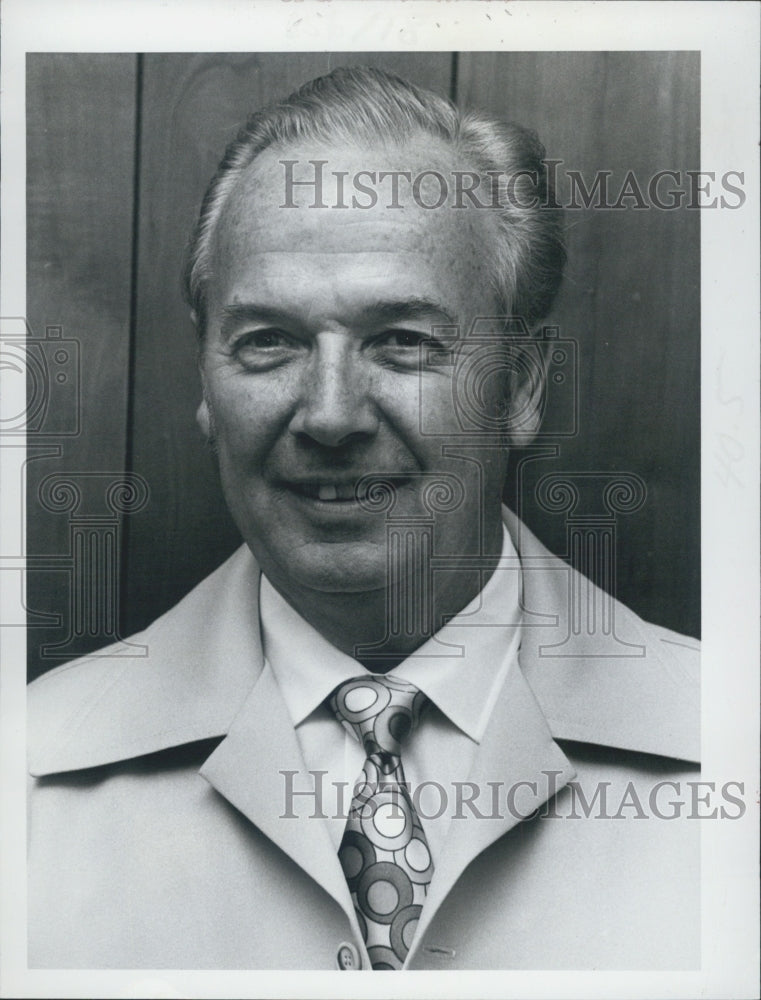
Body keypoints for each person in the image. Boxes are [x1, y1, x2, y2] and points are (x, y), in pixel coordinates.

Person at [28, 66, 700, 971]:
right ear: (204, 383)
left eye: (404, 343)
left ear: (524, 384)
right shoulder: (28, 776)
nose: (332, 415)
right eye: (269, 341)